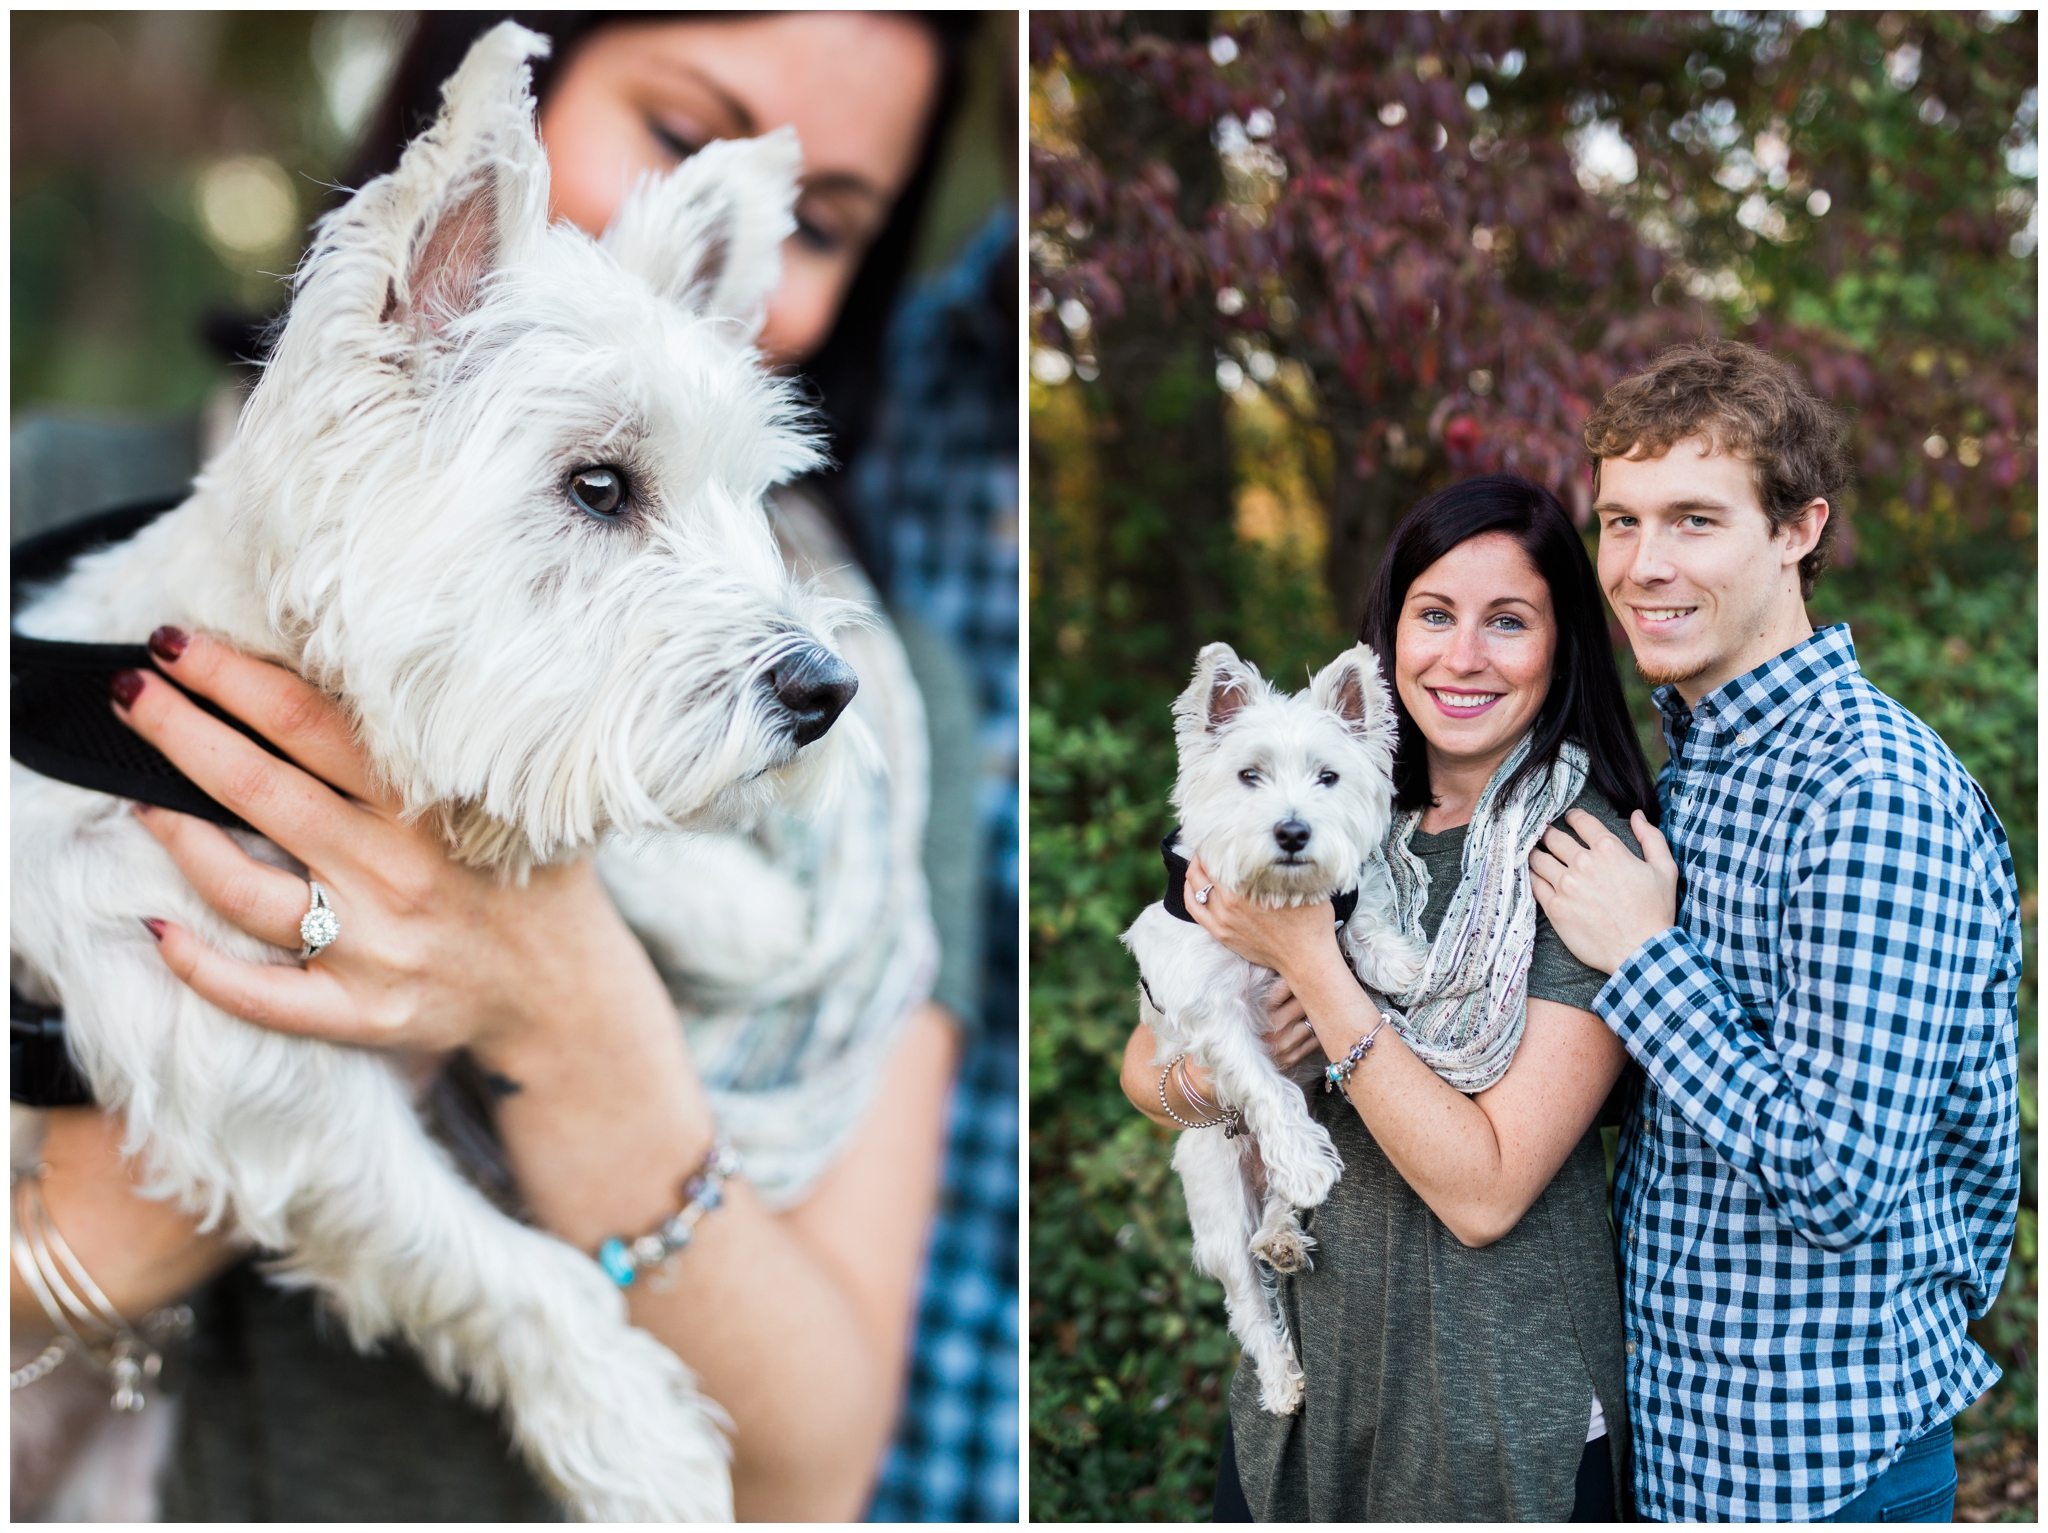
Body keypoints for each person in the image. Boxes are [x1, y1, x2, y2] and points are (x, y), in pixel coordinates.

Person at [9, 12, 995, 1522]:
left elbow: (807, 1483)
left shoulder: (898, 725)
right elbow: (236, 1124)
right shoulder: (47, 522)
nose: (759, 246)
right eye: (679, 127)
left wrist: (569, 996)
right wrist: (84, 1243)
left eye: (832, 223)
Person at [1529, 339, 2021, 1523]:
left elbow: (1839, 1178)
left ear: (1797, 529)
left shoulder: (1869, 793)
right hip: (1680, 1445)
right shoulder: (1697, 765)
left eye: (1694, 520)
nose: (1642, 566)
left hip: (1816, 1469)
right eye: (1621, 522)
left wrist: (1646, 964)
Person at [1120, 475, 1658, 1520]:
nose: (1461, 656)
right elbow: (1144, 1068)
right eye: (1433, 615)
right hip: (1314, 1394)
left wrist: (1310, 967)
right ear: (1391, 629)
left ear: (1560, 646)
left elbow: (1484, 1192)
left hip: (1497, 1403)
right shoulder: (1331, 807)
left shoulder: (1579, 853)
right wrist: (1228, 1074)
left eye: (1506, 621)